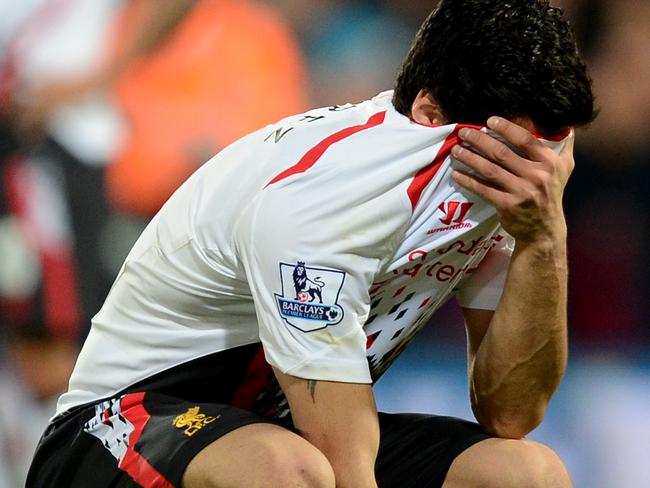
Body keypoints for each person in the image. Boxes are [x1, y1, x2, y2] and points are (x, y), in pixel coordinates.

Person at [26, 1, 596, 487]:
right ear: (428, 113)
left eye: (550, 152)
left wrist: (545, 239)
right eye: (513, 153)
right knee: (291, 470)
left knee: (525, 473)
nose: (533, 179)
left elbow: (512, 411)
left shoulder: (504, 182)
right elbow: (345, 465)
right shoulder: (323, 197)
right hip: (113, 429)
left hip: (275, 427)